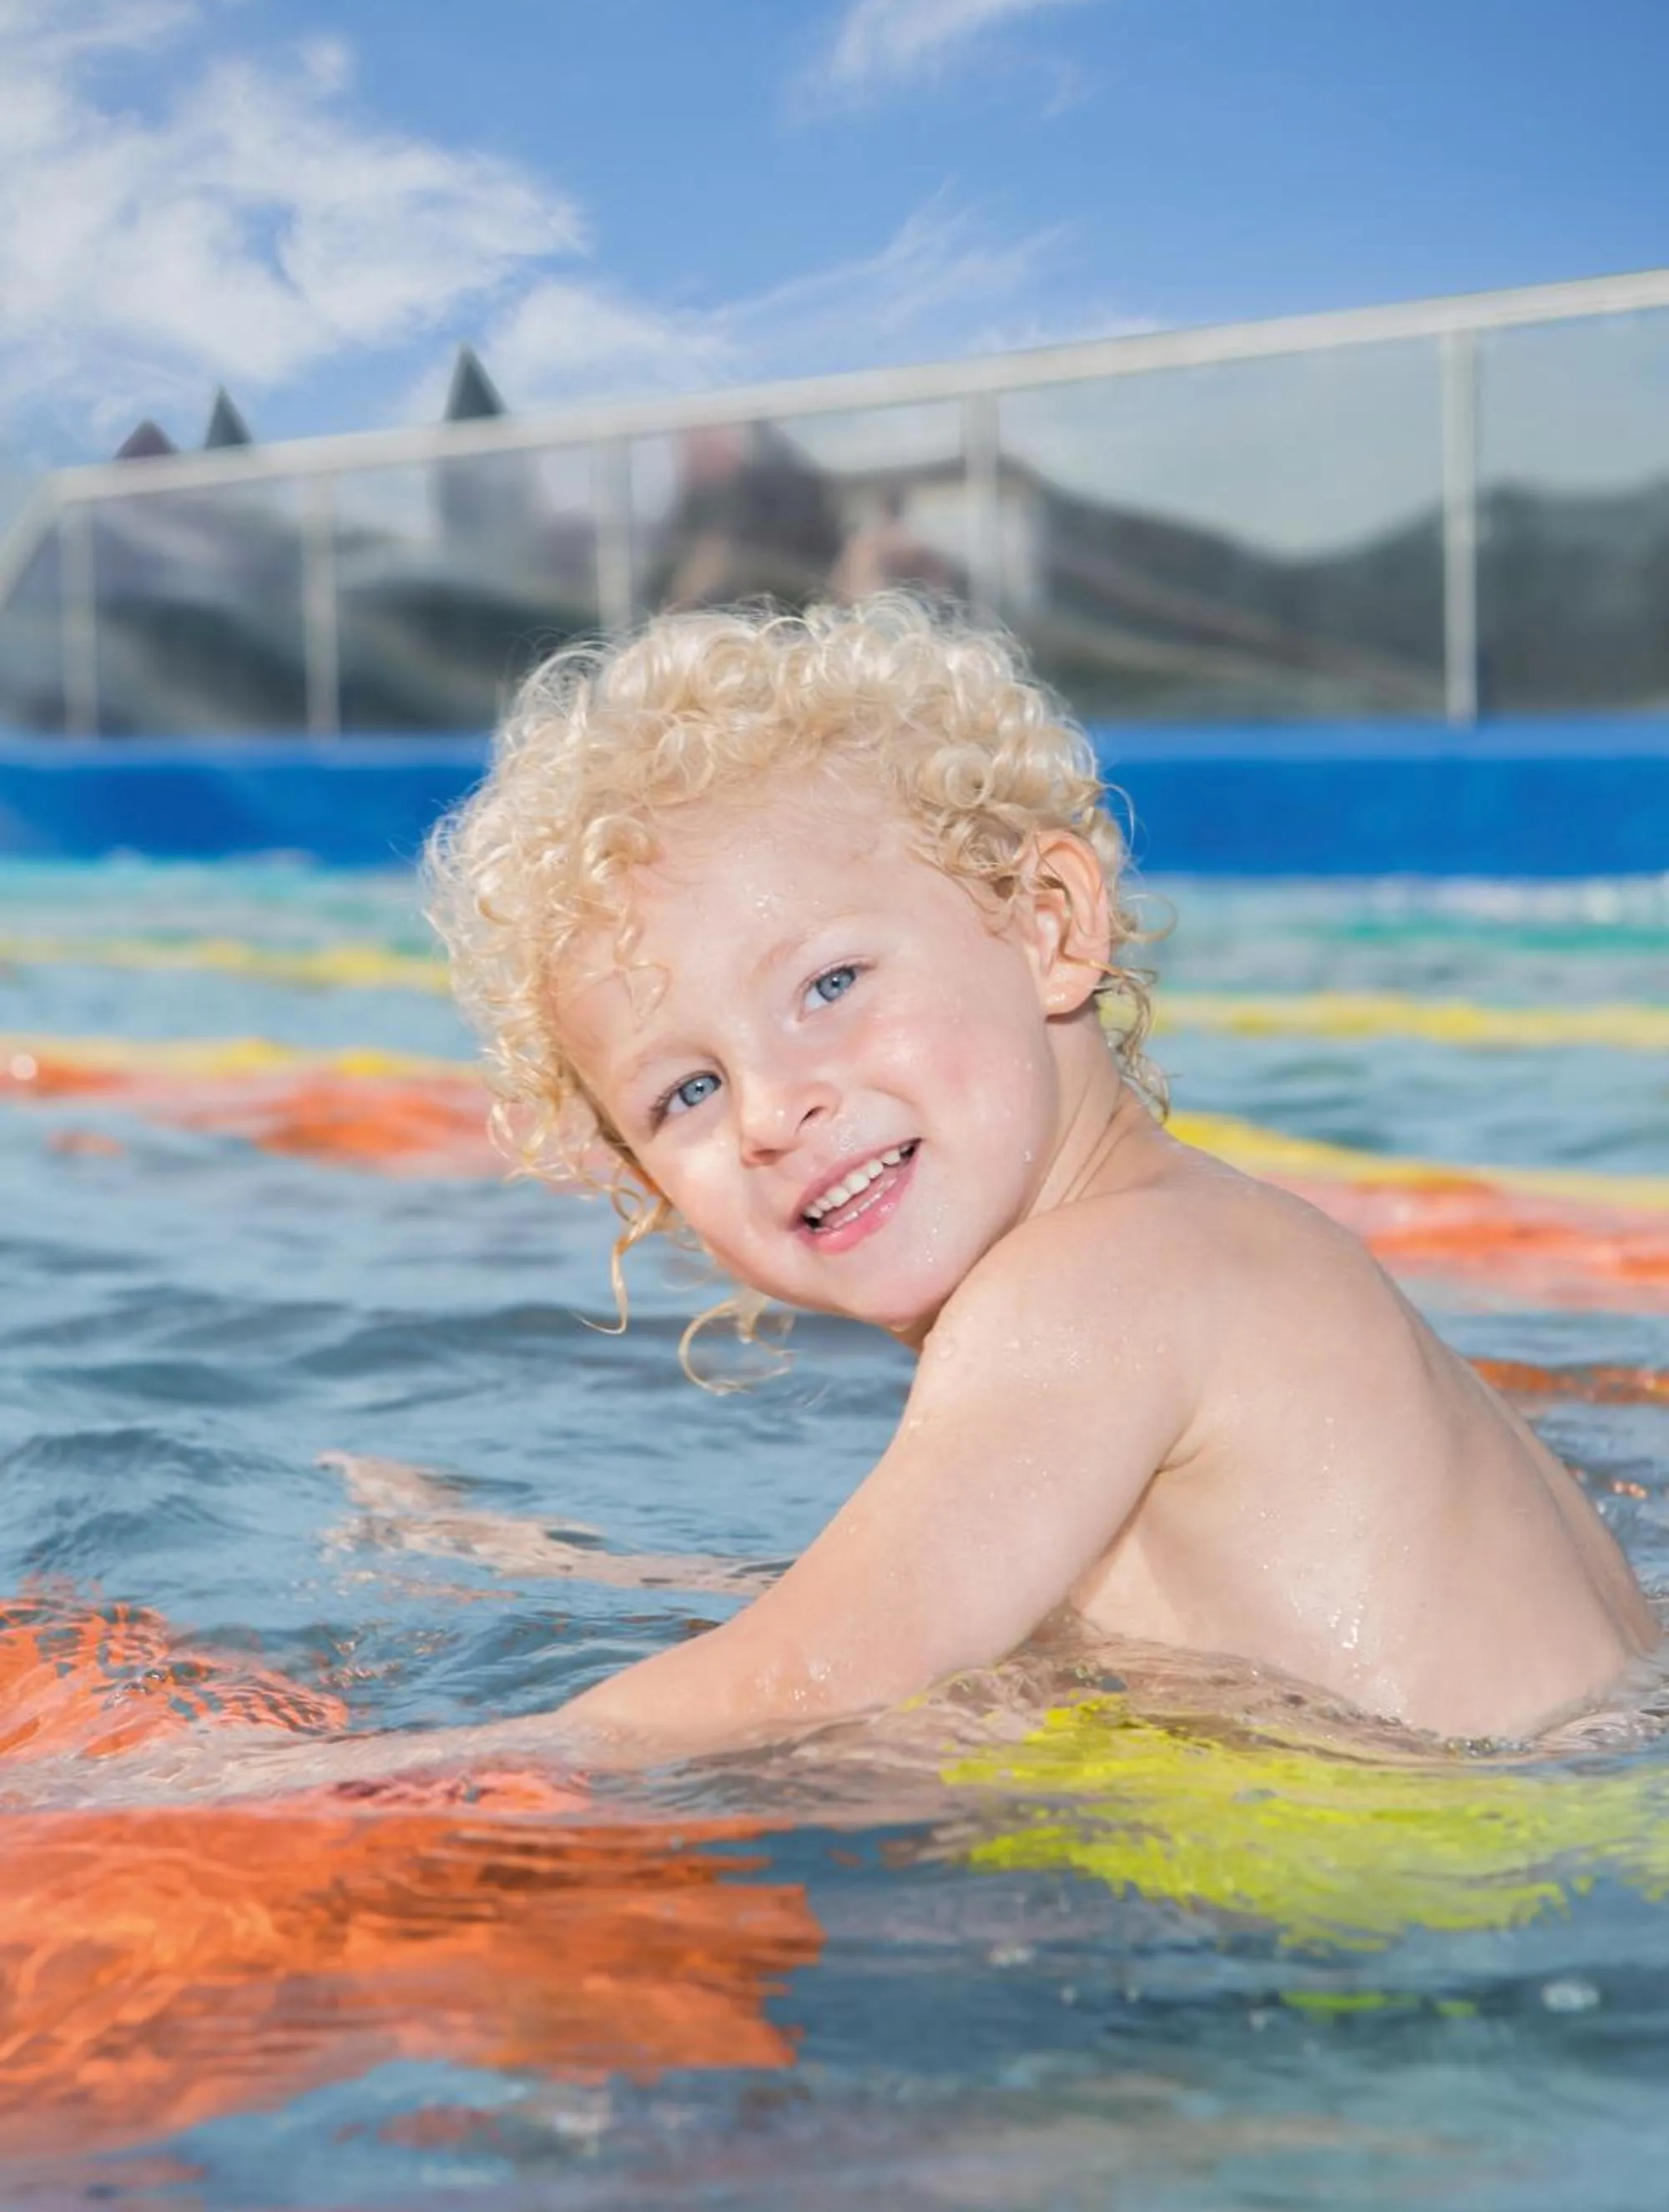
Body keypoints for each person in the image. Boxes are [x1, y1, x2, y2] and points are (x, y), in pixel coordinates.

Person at [199, 596, 1669, 1789]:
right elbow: (962, 1605)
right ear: (640, 1181)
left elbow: (816, 1677)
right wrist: (549, 1562)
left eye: (830, 984)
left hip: (1458, 1902)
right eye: (688, 1092)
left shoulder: (1092, 1290)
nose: (777, 1110)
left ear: (1046, 927)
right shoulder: (1205, 1255)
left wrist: (315, 1784)